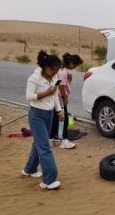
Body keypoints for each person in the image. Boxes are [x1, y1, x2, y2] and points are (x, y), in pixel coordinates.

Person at [22, 51, 64, 190]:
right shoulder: (34, 78)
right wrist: (46, 93)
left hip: (49, 114)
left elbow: (56, 94)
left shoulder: (55, 77)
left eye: (57, 70)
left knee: (38, 143)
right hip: (36, 115)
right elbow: (28, 97)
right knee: (45, 146)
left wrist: (59, 111)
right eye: (53, 69)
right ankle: (49, 179)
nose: (55, 72)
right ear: (45, 67)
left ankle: (29, 169)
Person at [49, 53, 83, 149]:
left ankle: (51, 139)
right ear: (71, 63)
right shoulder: (63, 72)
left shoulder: (60, 69)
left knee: (55, 118)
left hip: (55, 96)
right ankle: (63, 139)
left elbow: (58, 82)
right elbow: (61, 86)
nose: (75, 67)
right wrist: (65, 97)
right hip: (59, 97)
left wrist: (68, 80)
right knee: (63, 119)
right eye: (75, 65)